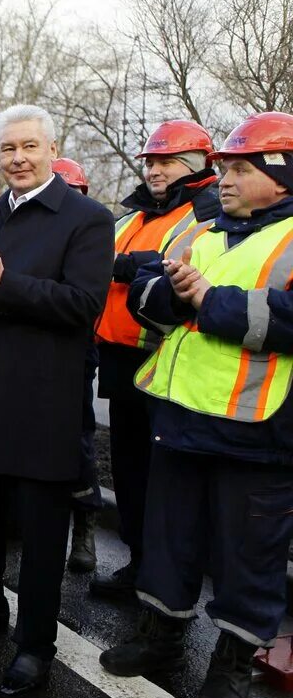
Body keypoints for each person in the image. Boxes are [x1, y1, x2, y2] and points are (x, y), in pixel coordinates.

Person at [100, 112, 293, 698]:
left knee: (248, 559)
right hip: (181, 421)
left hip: (260, 433)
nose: (225, 180)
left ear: (281, 177)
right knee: (169, 540)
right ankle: (162, 638)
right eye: (224, 169)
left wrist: (209, 301)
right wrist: (172, 294)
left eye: (240, 169)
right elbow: (145, 297)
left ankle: (231, 666)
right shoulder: (203, 232)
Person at [0, 105, 113, 698]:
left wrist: (1, 287)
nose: (18, 159)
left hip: (43, 400)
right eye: (8, 149)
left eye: (29, 147)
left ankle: (35, 645)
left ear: (51, 148)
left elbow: (83, 304)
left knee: (39, 534)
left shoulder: (87, 218)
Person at [90, 121, 221, 599]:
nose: (156, 171)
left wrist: (121, 265)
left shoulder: (207, 210)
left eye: (167, 162)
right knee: (130, 473)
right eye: (151, 162)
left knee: (165, 481)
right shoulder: (133, 216)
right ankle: (138, 563)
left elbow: (177, 266)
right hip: (122, 360)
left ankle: (162, 581)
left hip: (166, 362)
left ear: (195, 166)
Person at [52, 157, 104, 574]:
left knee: (78, 439)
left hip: (77, 351)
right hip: (31, 354)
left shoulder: (91, 230)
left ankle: (84, 524)